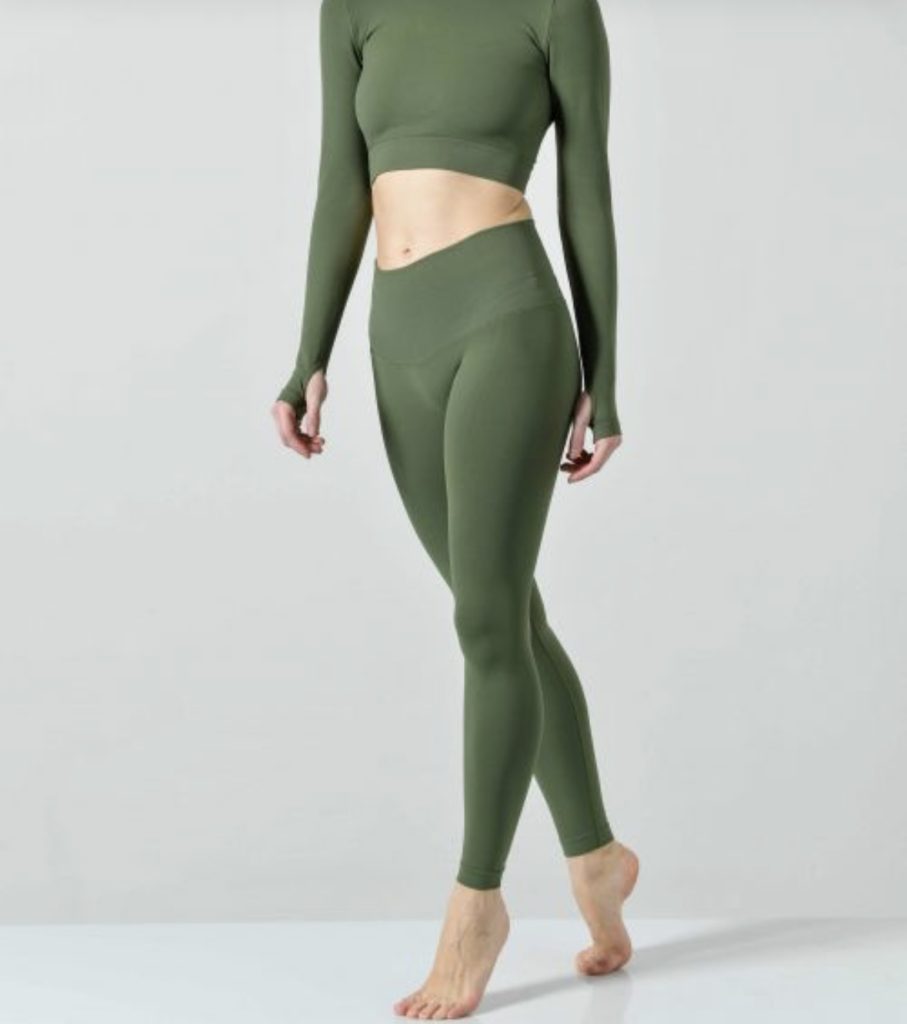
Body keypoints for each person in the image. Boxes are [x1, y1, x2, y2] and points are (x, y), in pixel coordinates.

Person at [271, 0, 639, 1017]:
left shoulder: (555, 7)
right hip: (398, 336)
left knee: (483, 619)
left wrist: (605, 377)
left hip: (507, 317)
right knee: (506, 615)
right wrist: (308, 356)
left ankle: (477, 904)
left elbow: (587, 189)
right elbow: (340, 183)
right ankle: (598, 859)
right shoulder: (354, 7)